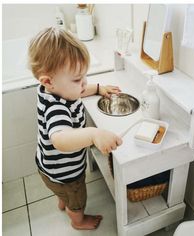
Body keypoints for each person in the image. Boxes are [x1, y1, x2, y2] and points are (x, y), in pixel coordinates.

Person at [28, 27, 122, 230]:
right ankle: (77, 220)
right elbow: (60, 139)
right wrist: (94, 133)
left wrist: (97, 88)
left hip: (49, 166)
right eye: (78, 79)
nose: (84, 83)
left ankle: (63, 200)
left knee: (63, 193)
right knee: (77, 199)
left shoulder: (53, 91)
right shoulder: (56, 108)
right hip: (66, 173)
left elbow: (76, 91)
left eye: (84, 76)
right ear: (48, 81)